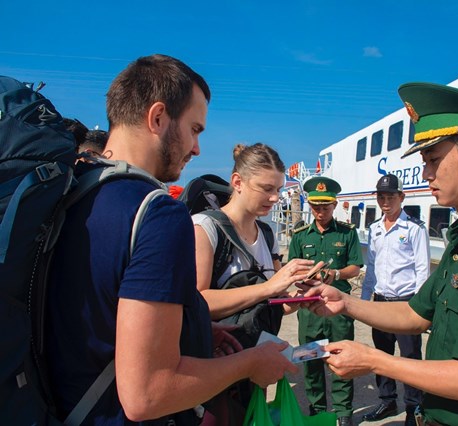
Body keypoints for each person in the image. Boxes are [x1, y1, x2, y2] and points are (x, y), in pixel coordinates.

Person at [45, 54, 297, 425]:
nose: (196, 148)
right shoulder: (158, 214)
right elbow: (147, 394)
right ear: (158, 118)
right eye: (195, 130)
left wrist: (191, 328)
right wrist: (249, 363)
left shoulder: (74, 189)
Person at [301, 83, 458, 426]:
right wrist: (346, 304)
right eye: (424, 161)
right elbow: (417, 314)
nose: (426, 173)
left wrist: (376, 361)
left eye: (434, 159)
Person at [193, 142, 313, 325]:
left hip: (261, 346)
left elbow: (271, 303)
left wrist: (303, 296)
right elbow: (196, 302)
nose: (275, 198)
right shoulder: (205, 228)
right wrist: (267, 287)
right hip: (218, 351)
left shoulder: (267, 233)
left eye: (278, 189)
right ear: (237, 182)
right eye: (266, 188)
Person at [288, 176, 363, 426]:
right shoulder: (299, 236)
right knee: (310, 362)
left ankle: (343, 413)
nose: (320, 212)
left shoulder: (347, 233)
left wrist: (335, 274)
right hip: (309, 310)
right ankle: (317, 410)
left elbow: (355, 267)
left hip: (338, 309)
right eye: (316, 207)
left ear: (334, 205)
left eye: (326, 207)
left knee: (342, 359)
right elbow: (292, 268)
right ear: (310, 206)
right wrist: (305, 276)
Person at [360, 173, 430, 425]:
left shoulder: (414, 229)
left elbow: (423, 269)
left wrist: (421, 308)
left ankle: (414, 406)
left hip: (405, 303)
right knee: (382, 353)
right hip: (380, 301)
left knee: (410, 357)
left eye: (391, 195)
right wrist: (365, 301)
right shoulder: (374, 229)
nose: (385, 201)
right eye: (381, 196)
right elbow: (372, 267)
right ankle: (387, 401)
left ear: (402, 197)